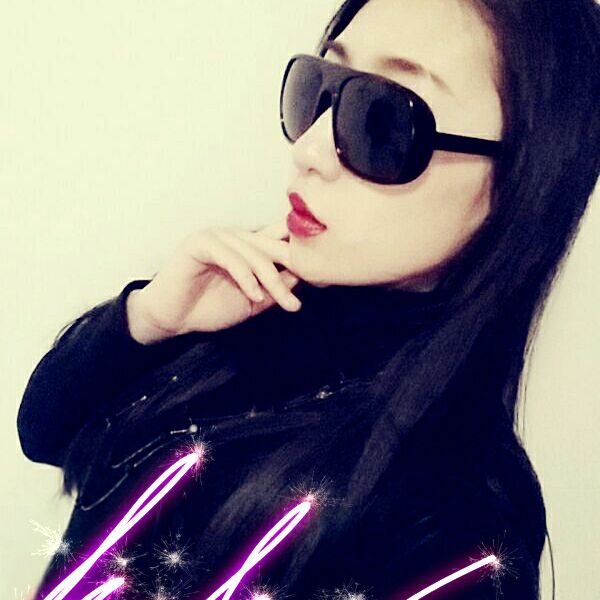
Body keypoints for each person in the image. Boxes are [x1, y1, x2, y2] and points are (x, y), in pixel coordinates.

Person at [17, 0, 599, 599]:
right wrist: (147, 320)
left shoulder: (459, 533)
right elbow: (45, 433)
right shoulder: (247, 298)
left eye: (381, 120)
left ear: (520, 182)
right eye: (320, 89)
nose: (310, 151)